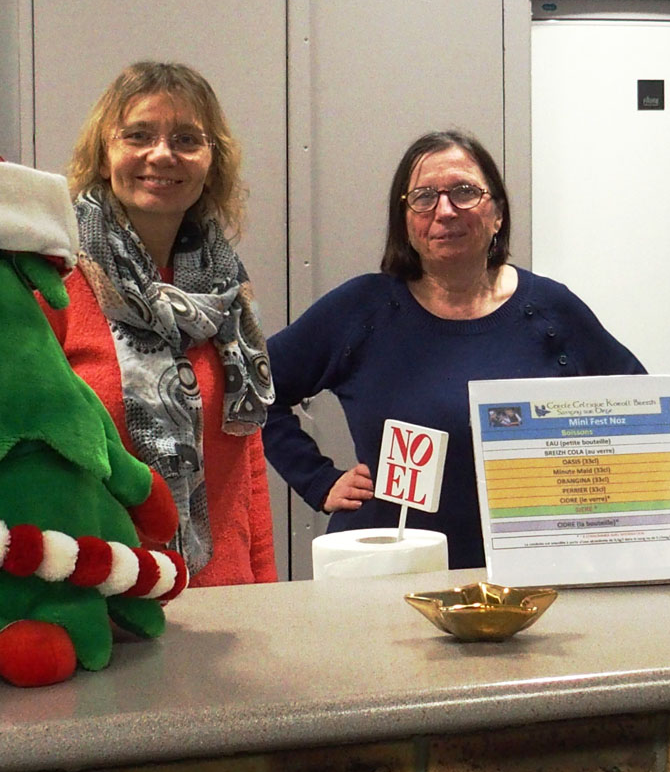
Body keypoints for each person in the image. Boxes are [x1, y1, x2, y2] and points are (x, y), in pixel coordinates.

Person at [262, 130, 644, 569]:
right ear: (405, 220)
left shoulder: (552, 312)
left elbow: (638, 408)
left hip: (527, 572)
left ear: (497, 213)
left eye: (464, 192)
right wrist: (318, 480)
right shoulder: (360, 310)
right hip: (387, 573)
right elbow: (254, 390)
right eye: (423, 197)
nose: (444, 211)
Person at [51, 61, 277, 586]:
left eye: (185, 139)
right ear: (104, 155)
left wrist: (264, 587)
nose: (161, 154)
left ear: (210, 162)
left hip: (225, 601)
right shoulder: (52, 281)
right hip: (103, 597)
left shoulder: (226, 291)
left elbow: (246, 463)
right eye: (138, 135)